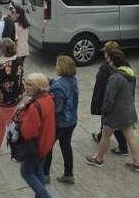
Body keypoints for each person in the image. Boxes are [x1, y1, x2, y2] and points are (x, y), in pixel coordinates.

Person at [86, 49, 139, 172]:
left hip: (115, 114)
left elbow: (109, 98)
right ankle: (137, 163)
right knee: (131, 136)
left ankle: (98, 159)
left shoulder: (115, 78)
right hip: (128, 111)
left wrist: (104, 111)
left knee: (106, 135)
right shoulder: (129, 73)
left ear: (111, 61)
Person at [13, 72, 57, 198]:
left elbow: (28, 132)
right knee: (38, 172)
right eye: (26, 83)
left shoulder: (33, 106)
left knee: (26, 173)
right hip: (46, 143)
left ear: (38, 87)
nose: (25, 87)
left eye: (29, 85)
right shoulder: (48, 98)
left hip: (35, 147)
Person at [44, 56, 79, 184]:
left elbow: (57, 108)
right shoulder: (73, 80)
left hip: (60, 123)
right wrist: (51, 82)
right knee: (66, 146)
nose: (55, 66)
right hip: (72, 120)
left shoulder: (58, 87)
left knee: (47, 146)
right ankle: (68, 174)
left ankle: (45, 174)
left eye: (57, 65)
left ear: (62, 68)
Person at [90, 41, 129, 155]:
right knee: (109, 122)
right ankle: (100, 135)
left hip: (109, 101)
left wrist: (99, 103)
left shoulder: (106, 68)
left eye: (106, 52)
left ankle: (123, 147)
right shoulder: (125, 64)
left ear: (108, 54)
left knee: (113, 125)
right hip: (122, 100)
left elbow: (101, 88)